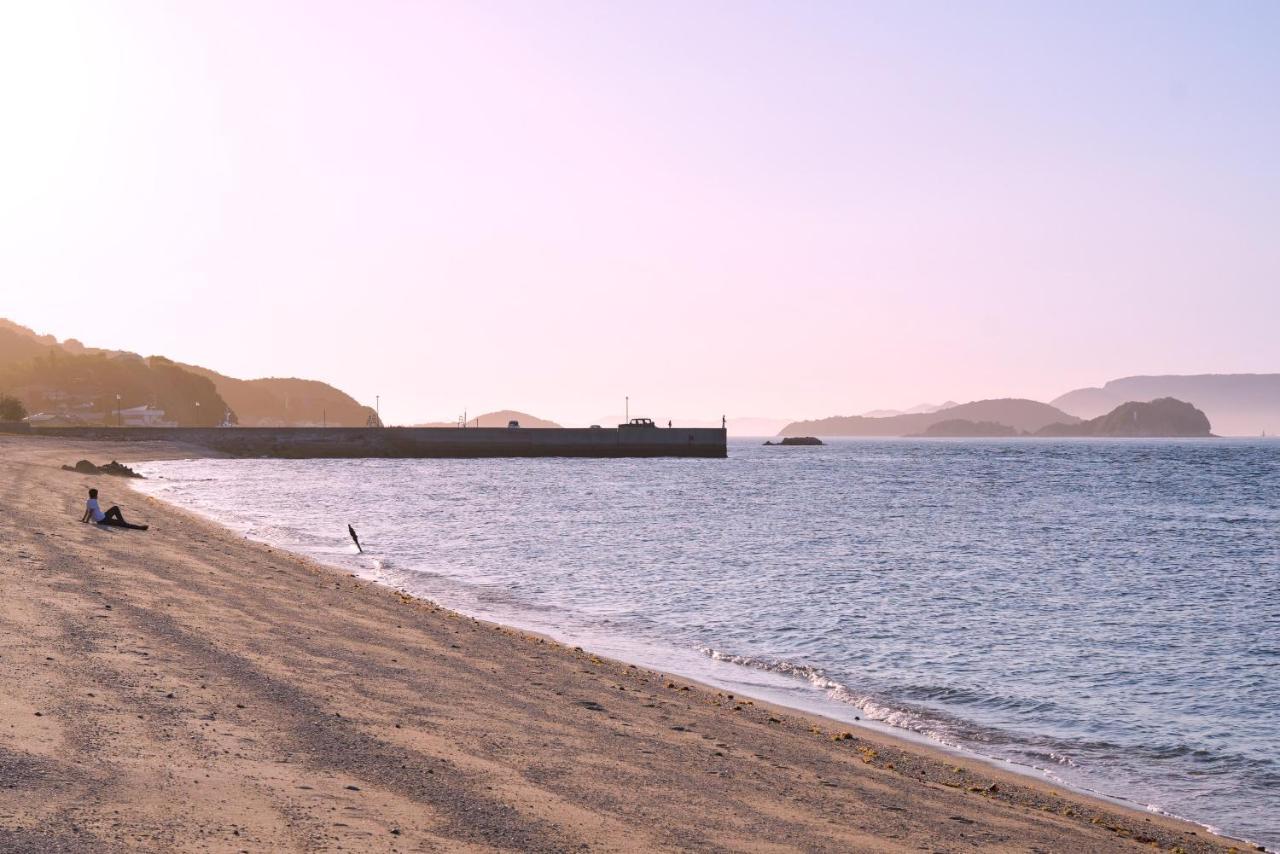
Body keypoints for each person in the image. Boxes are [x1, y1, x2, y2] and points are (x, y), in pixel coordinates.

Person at [80, 488, 148, 530]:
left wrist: (83, 519)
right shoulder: (93, 501)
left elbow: (87, 510)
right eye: (97, 495)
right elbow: (90, 511)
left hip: (103, 517)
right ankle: (140, 527)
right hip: (103, 520)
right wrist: (87, 521)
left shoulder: (88, 501)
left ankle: (123, 522)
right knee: (122, 523)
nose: (97, 496)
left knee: (115, 508)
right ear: (95, 495)